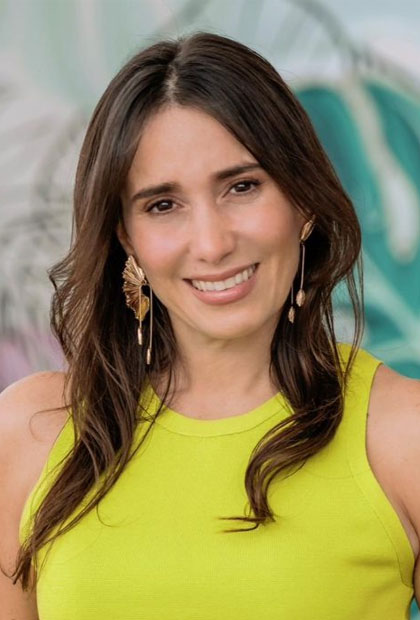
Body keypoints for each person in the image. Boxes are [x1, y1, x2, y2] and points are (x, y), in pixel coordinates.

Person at [0, 31, 419, 620]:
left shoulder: (402, 432)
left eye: (242, 187)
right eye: (162, 204)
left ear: (302, 202)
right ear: (126, 237)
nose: (212, 243)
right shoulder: (30, 432)